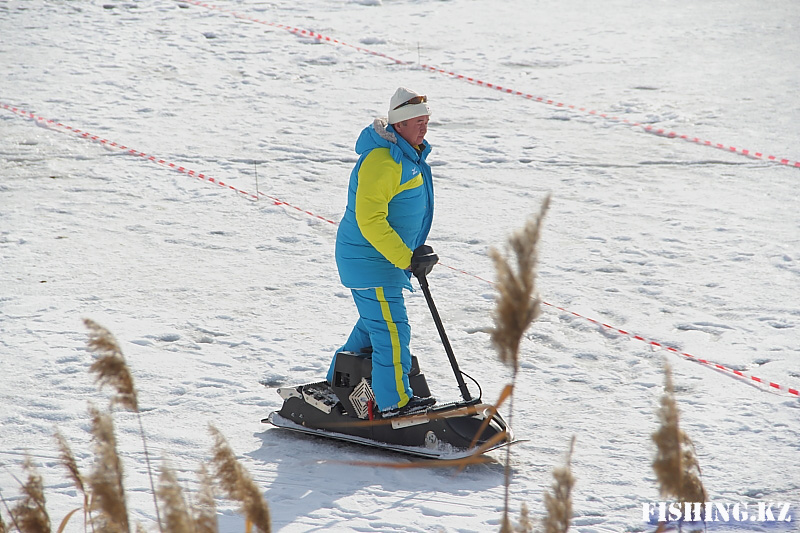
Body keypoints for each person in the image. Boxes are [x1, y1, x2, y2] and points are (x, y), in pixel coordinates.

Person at [327, 87, 438, 416]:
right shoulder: (383, 161)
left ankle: (339, 381)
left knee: (373, 325)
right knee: (392, 331)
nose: (424, 127)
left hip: (384, 261)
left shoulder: (406, 155)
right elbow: (370, 220)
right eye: (417, 121)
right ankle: (394, 403)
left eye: (426, 120)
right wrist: (407, 258)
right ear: (399, 125)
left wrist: (412, 252)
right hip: (369, 261)